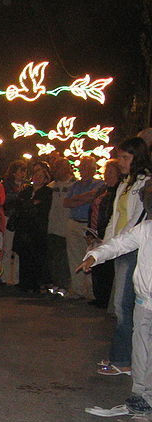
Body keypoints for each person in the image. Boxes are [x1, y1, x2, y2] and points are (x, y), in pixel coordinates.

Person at [80, 218, 152, 417]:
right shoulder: (146, 229)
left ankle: (148, 396)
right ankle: (141, 395)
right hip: (145, 301)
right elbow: (119, 244)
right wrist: (95, 256)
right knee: (140, 348)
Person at [96, 137, 152, 376]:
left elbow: (136, 222)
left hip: (131, 250)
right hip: (120, 247)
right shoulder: (125, 183)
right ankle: (121, 355)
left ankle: (124, 359)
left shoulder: (144, 183)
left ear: (137, 158)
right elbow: (115, 219)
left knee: (123, 304)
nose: (120, 162)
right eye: (120, 157)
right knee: (121, 305)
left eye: (125, 158)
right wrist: (104, 245)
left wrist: (116, 245)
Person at [10, 161, 53, 294]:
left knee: (36, 256)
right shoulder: (27, 190)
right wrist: (31, 204)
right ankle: (24, 282)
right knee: (24, 255)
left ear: (46, 179)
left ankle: (35, 284)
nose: (37, 178)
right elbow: (19, 205)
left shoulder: (47, 192)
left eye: (41, 176)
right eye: (36, 175)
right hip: (23, 227)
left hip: (37, 228)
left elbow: (41, 208)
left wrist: (29, 205)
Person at [63, 156, 102, 299]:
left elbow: (93, 197)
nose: (83, 170)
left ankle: (92, 291)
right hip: (74, 221)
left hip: (88, 224)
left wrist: (78, 199)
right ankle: (77, 289)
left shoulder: (99, 184)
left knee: (91, 256)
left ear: (93, 169)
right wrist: (83, 198)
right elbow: (67, 203)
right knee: (74, 256)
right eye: (82, 167)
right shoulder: (75, 185)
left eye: (86, 167)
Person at [88, 159, 121, 308]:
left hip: (107, 232)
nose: (108, 175)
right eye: (106, 172)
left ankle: (106, 299)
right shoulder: (103, 189)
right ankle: (99, 297)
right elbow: (93, 209)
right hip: (95, 230)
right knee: (97, 265)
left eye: (111, 172)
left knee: (107, 267)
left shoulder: (118, 190)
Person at [47, 158, 75, 294]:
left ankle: (65, 285)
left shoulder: (74, 185)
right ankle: (56, 283)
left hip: (66, 227)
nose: (56, 171)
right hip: (53, 227)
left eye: (59, 168)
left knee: (65, 259)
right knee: (54, 258)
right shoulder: (51, 186)